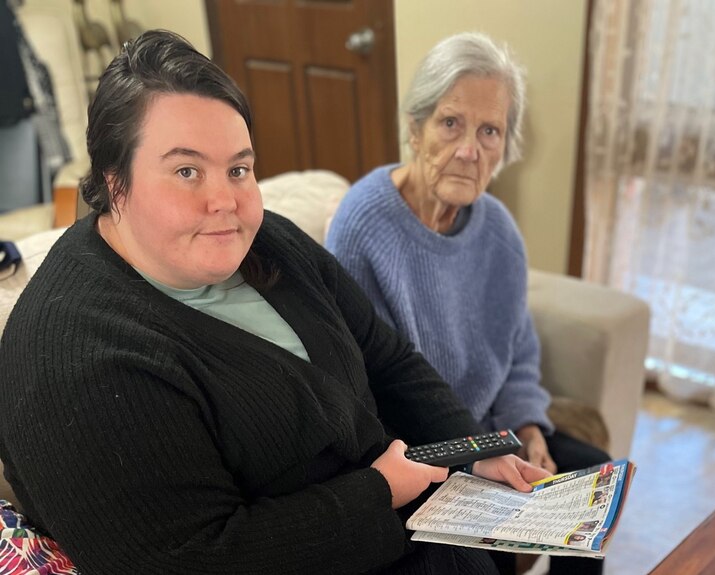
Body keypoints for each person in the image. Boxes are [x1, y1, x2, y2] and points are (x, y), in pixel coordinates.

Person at [0, 30, 550, 575]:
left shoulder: (272, 242)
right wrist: (377, 492)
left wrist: (474, 448)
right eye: (187, 171)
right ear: (114, 181)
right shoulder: (76, 361)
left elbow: (388, 358)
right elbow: (196, 559)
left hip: (421, 531)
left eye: (239, 169)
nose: (226, 202)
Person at [325, 32, 610, 575]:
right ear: (415, 127)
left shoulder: (499, 232)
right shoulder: (363, 227)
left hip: (490, 433)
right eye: (451, 122)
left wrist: (528, 428)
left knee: (591, 481)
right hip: (417, 452)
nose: (468, 150)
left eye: (489, 131)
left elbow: (519, 347)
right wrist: (472, 456)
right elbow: (367, 389)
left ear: (505, 148)